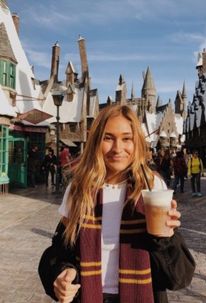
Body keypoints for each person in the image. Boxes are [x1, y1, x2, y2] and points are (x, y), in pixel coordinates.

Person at [38, 105, 195, 303]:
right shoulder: (79, 189)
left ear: (136, 142)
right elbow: (59, 251)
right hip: (88, 296)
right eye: (108, 138)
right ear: (96, 142)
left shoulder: (152, 186)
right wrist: (60, 274)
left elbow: (179, 278)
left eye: (126, 138)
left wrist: (166, 239)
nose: (118, 148)